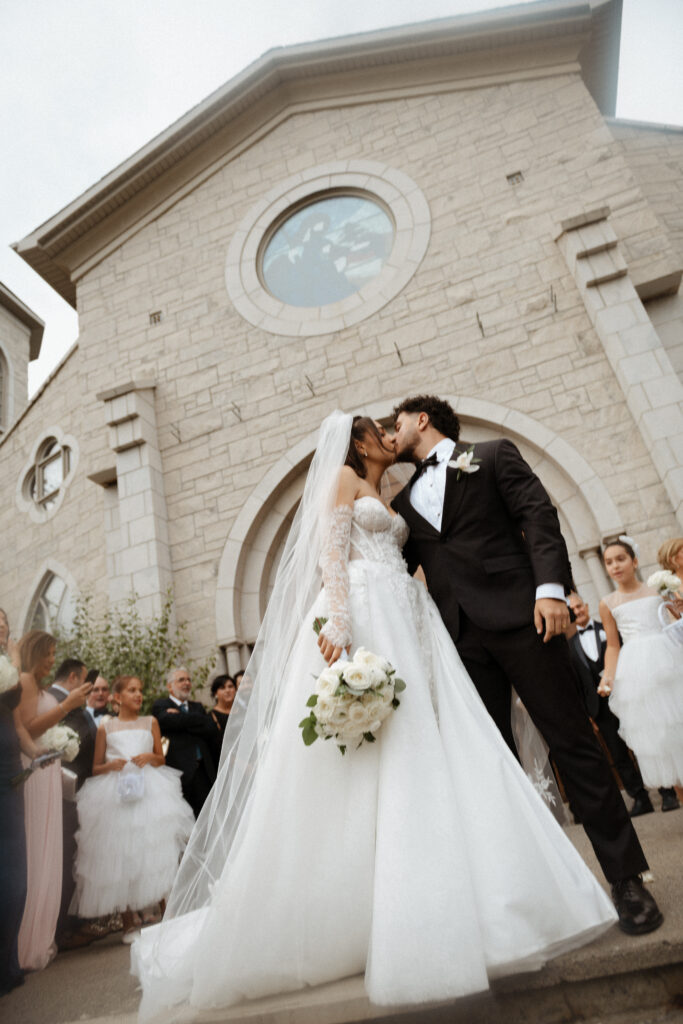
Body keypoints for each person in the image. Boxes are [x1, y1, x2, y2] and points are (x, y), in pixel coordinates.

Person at [132, 410, 618, 1021]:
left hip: (408, 618)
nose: (391, 437)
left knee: (428, 743)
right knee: (378, 751)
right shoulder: (341, 480)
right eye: (380, 431)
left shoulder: (399, 494)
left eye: (396, 428)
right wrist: (338, 619)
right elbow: (330, 554)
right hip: (364, 613)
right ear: (360, 440)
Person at [390, 395, 661, 934]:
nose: (388, 432)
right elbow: (396, 571)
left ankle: (626, 877)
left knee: (573, 744)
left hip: (525, 618)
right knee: (492, 761)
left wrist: (551, 591)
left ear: (422, 419)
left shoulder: (491, 456)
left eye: (393, 423)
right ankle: (528, 890)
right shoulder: (400, 503)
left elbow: (537, 515)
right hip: (460, 640)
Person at [74, 676, 193, 944]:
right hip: (116, 792)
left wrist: (150, 757)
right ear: (117, 697)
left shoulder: (150, 722)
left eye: (140, 690)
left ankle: (169, 912)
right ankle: (128, 924)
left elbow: (160, 759)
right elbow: (95, 767)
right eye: (131, 691)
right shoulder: (107, 727)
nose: (138, 695)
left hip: (148, 788)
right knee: (122, 853)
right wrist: (111, 765)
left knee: (156, 848)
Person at [597, 538, 682, 810]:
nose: (614, 566)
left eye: (620, 559)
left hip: (669, 662)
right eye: (609, 562)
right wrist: (607, 677)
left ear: (634, 561)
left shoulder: (659, 591)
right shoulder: (607, 603)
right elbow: (613, 645)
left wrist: (677, 611)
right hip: (638, 673)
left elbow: (674, 624)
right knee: (663, 741)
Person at [566, 592, 654, 817]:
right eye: (572, 610)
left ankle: (668, 793)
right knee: (618, 754)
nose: (577, 611)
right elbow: (576, 684)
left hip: (625, 696)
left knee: (643, 743)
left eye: (579, 606)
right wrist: (587, 715)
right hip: (599, 709)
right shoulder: (570, 646)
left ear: (586, 606)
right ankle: (640, 798)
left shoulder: (607, 629)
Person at [14, 631, 64, 970]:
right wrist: (68, 706)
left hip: (48, 772)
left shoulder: (40, 685)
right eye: (48, 654)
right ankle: (27, 941)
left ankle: (42, 934)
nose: (52, 660)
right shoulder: (26, 681)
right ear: (35, 653)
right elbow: (29, 729)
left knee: (48, 851)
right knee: (37, 850)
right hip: (34, 770)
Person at [47, 659, 96, 948]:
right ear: (75, 677)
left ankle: (71, 923)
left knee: (74, 853)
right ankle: (60, 929)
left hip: (80, 789)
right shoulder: (55, 701)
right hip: (63, 789)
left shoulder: (72, 702)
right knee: (64, 855)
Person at [0, 614, 27, 995]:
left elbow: (14, 710)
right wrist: (15, 654)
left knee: (15, 877)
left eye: (3, 621)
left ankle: (8, 961)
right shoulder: (8, 666)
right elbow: (12, 684)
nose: (2, 627)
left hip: (9, 771)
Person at [152, 668, 216, 818]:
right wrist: (195, 721)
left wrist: (180, 719)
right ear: (170, 686)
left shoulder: (197, 706)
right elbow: (165, 722)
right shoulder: (160, 705)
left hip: (203, 771)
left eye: (188, 680)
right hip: (179, 772)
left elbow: (209, 727)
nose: (186, 683)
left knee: (208, 817)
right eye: (181, 680)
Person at [208, 675, 236, 764]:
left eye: (230, 686)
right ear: (215, 693)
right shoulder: (211, 717)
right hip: (227, 765)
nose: (227, 690)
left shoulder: (245, 712)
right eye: (222, 688)